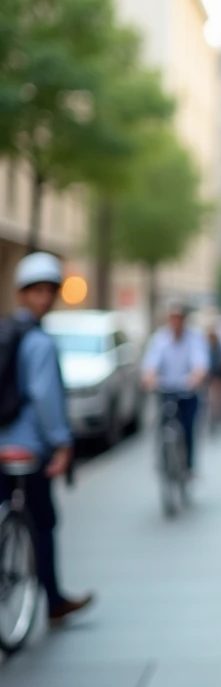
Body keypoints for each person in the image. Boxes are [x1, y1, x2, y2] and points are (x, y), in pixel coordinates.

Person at [0, 252, 94, 622]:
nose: (43, 298)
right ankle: (53, 601)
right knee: (43, 522)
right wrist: (62, 442)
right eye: (37, 291)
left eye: (46, 291)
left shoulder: (4, 331)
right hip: (28, 449)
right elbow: (45, 398)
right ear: (25, 294)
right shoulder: (39, 342)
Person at [140, 302, 207, 477]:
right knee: (161, 424)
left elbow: (200, 365)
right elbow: (150, 365)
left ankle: (188, 466)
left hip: (187, 392)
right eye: (172, 318)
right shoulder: (160, 339)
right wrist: (150, 378)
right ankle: (162, 459)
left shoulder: (194, 338)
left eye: (179, 318)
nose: (176, 322)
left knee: (187, 428)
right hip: (166, 390)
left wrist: (196, 378)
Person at [205, 325, 221, 431]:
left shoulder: (218, 349)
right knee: (212, 400)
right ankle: (214, 417)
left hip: (218, 376)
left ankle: (217, 417)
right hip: (211, 377)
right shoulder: (206, 349)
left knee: (217, 399)